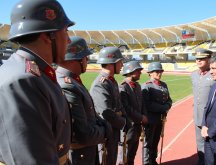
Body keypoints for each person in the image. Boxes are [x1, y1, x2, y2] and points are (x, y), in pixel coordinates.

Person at [0, 0, 74, 164]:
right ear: (48, 35)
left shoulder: (36, 73)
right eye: (66, 31)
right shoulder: (24, 80)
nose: (69, 40)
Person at [56, 36, 112, 165]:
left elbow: (90, 114)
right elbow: (83, 134)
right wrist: (105, 130)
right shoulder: (68, 85)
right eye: (85, 58)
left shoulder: (72, 81)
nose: (87, 60)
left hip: (85, 151)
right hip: (80, 155)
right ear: (75, 59)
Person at [90, 47, 128, 165]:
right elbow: (106, 113)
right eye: (120, 62)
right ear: (112, 63)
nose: (122, 65)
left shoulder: (112, 81)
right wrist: (124, 122)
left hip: (114, 130)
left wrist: (126, 118)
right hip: (107, 132)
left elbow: (119, 105)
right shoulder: (101, 83)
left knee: (113, 159)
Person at [142, 62, 172, 165]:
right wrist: (163, 108)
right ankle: (146, 163)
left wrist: (168, 106)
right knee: (148, 143)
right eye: (156, 71)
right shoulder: (147, 86)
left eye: (160, 71)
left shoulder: (164, 85)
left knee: (155, 141)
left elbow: (169, 99)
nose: (159, 73)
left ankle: (153, 160)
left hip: (160, 119)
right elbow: (147, 104)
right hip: (150, 119)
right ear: (150, 73)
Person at [119, 61, 148, 165]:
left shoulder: (137, 86)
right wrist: (141, 117)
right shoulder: (123, 87)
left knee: (132, 155)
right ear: (130, 71)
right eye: (138, 71)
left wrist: (144, 115)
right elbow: (126, 108)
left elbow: (142, 103)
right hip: (129, 127)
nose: (140, 73)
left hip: (137, 127)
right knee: (124, 157)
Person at [191, 48, 215, 165]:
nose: (199, 61)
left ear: (209, 59)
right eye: (197, 59)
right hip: (197, 115)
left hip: (211, 117)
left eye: (202, 59)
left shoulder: (214, 74)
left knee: (211, 143)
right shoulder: (193, 75)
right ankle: (201, 161)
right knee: (199, 142)